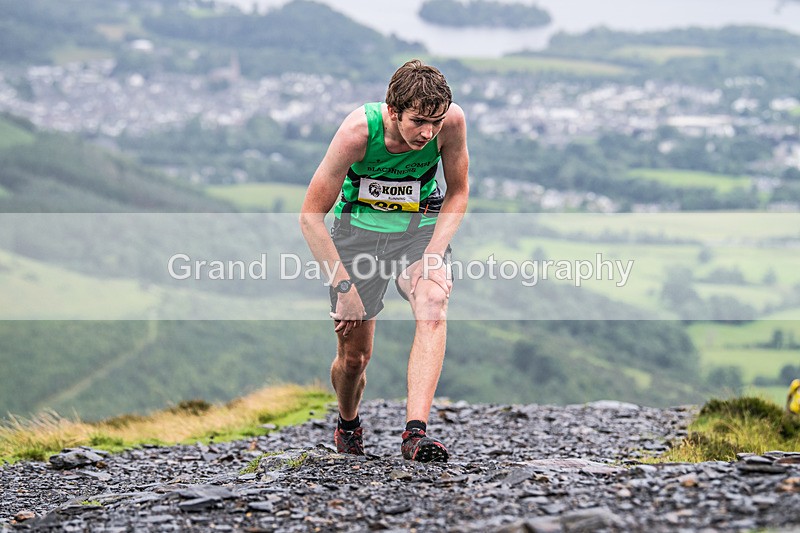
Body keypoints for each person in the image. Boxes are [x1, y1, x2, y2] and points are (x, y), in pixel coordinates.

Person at [299, 59, 469, 462]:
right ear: (393, 111)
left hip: (417, 229)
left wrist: (432, 257)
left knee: (432, 303)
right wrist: (344, 288)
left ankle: (415, 434)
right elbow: (309, 217)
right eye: (418, 122)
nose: (428, 133)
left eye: (436, 121)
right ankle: (348, 422)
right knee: (354, 358)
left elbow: (458, 192)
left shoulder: (451, 124)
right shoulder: (358, 132)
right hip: (357, 237)